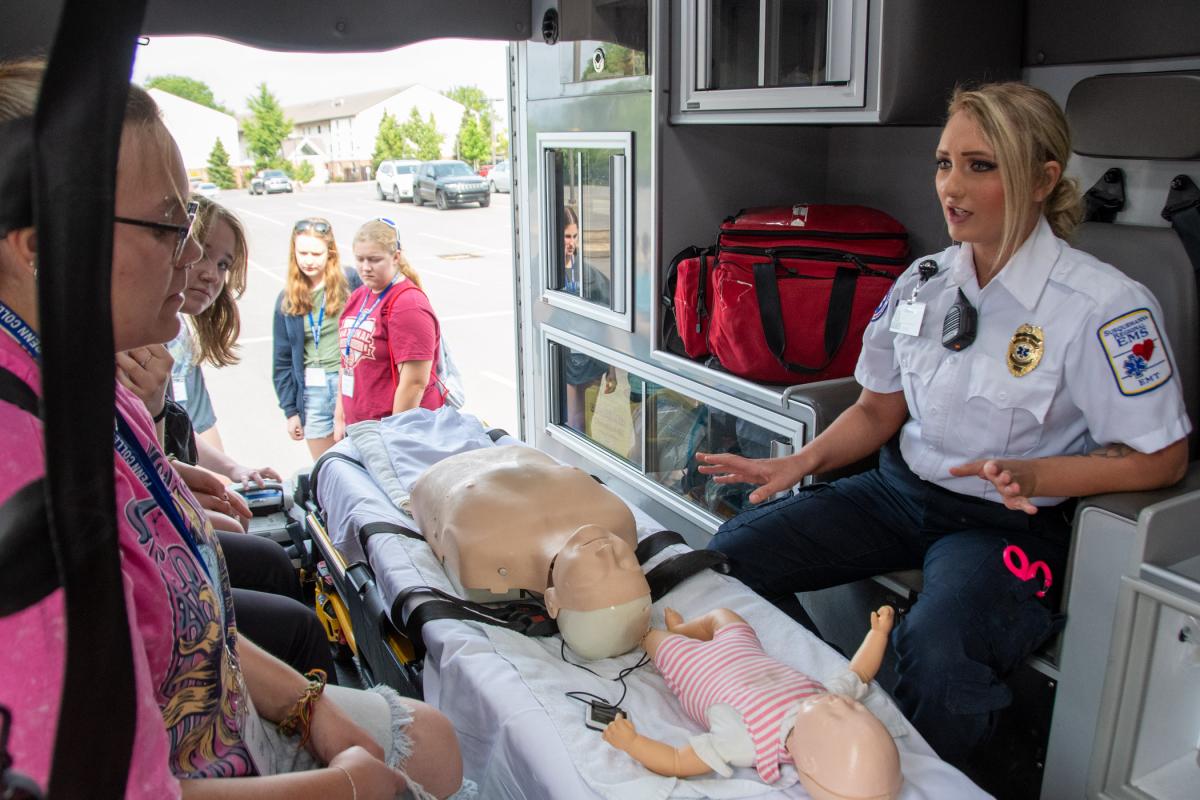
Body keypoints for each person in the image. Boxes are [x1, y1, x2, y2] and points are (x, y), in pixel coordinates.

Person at [0, 60, 466, 799]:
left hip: (211, 712)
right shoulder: (23, 486)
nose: (190, 264)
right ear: (41, 243)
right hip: (182, 769)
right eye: (168, 226)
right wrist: (347, 788)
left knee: (437, 744)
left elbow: (188, 619)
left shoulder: (83, 383)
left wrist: (305, 703)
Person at [699, 82, 1191, 763]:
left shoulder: (1103, 307)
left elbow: (1162, 458)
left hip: (1005, 525)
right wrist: (800, 463)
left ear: (1044, 178)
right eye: (943, 163)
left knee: (937, 652)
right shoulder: (923, 281)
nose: (950, 187)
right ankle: (803, 717)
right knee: (727, 557)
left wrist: (1040, 472)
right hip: (899, 495)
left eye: (979, 166)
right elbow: (877, 408)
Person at [119, 197, 337, 682]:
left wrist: (230, 472)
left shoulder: (172, 339)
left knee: (271, 557)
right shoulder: (135, 344)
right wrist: (182, 492)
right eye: (195, 252)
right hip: (147, 569)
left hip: (158, 532)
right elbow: (141, 466)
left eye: (221, 263)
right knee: (295, 621)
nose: (208, 273)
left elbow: (180, 438)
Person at [602, 606, 902, 800]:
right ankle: (683, 629)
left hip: (695, 667)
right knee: (723, 615)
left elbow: (678, 761)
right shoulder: (825, 699)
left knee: (651, 637)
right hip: (744, 651)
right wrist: (878, 635)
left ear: (808, 761)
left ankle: (669, 636)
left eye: (840, 713)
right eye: (856, 708)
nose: (841, 702)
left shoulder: (749, 742)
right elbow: (859, 673)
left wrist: (632, 743)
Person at [335, 218, 444, 435]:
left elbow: (414, 383)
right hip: (362, 428)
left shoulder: (407, 304)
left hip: (397, 433)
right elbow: (347, 361)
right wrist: (340, 417)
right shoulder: (359, 296)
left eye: (375, 260)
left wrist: (392, 438)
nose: (365, 268)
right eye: (360, 259)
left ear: (396, 257)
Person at [273, 217, 361, 459]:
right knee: (327, 469)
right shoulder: (287, 298)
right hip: (313, 393)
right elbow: (281, 362)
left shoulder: (350, 282)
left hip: (350, 384)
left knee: (361, 463)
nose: (309, 260)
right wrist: (291, 412)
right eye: (303, 253)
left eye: (316, 253)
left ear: (329, 253)